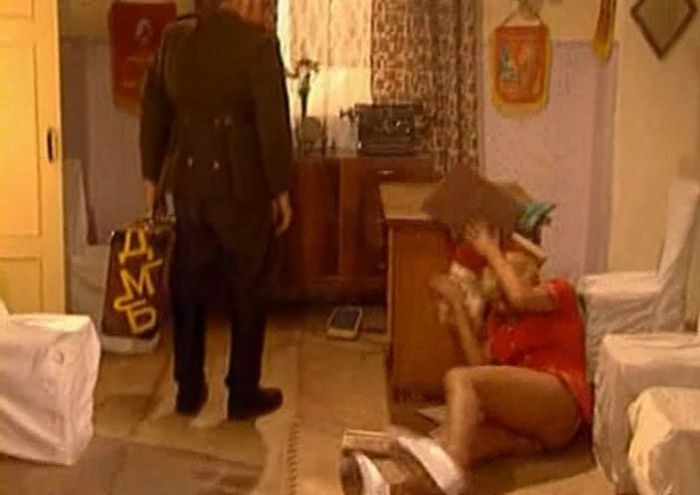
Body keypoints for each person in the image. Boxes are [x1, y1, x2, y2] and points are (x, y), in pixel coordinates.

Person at [139, 0, 293, 420]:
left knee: (188, 285)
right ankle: (242, 393)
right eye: (265, 7)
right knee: (250, 286)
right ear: (246, 3)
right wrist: (281, 190)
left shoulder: (173, 38)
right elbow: (273, 124)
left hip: (187, 184)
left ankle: (188, 389)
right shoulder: (257, 45)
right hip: (242, 187)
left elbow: (153, 109)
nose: (266, 16)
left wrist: (151, 178)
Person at [429, 220, 592, 481]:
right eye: (496, 301)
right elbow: (479, 365)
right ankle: (516, 445)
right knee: (447, 439)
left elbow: (520, 297)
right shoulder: (500, 322)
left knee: (458, 378)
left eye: (503, 298)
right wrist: (458, 306)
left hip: (561, 399)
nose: (502, 307)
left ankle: (453, 471)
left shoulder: (558, 292)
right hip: (530, 420)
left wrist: (490, 250)